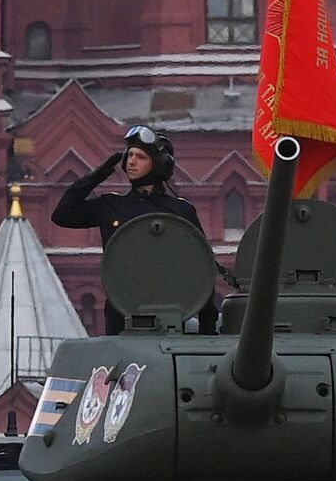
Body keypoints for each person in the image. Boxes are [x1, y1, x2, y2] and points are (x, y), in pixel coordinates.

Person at [52, 124, 217, 335]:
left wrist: (207, 329)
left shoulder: (180, 211)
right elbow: (62, 215)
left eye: (140, 157)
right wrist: (98, 175)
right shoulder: (111, 206)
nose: (131, 161)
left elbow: (201, 268)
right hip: (121, 315)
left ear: (159, 165)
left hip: (171, 314)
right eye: (129, 155)